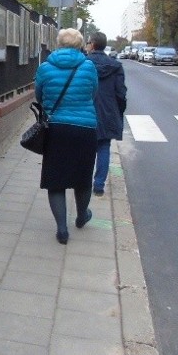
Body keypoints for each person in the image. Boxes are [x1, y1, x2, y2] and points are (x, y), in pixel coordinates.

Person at [34, 28, 98, 244]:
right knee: (83, 178)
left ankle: (62, 230)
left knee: (56, 180)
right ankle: (82, 216)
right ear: (79, 44)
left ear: (58, 44)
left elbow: (39, 96)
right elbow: (93, 92)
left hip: (57, 129)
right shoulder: (88, 66)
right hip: (85, 129)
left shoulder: (45, 67)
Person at [85, 32, 127, 195]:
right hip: (108, 112)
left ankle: (84, 183)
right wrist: (118, 111)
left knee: (86, 148)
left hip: (86, 110)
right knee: (104, 147)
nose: (87, 45)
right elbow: (121, 93)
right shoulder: (115, 66)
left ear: (93, 45)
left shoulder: (84, 64)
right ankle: (99, 185)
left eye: (89, 43)